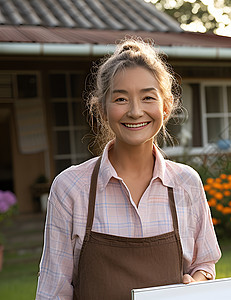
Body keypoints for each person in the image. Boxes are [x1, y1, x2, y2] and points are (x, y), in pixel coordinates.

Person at [36, 37, 221, 300]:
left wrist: (197, 282)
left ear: (166, 107)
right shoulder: (71, 188)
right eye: (121, 99)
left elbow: (204, 264)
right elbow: (53, 292)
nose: (135, 111)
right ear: (102, 110)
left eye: (147, 97)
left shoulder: (186, 183)